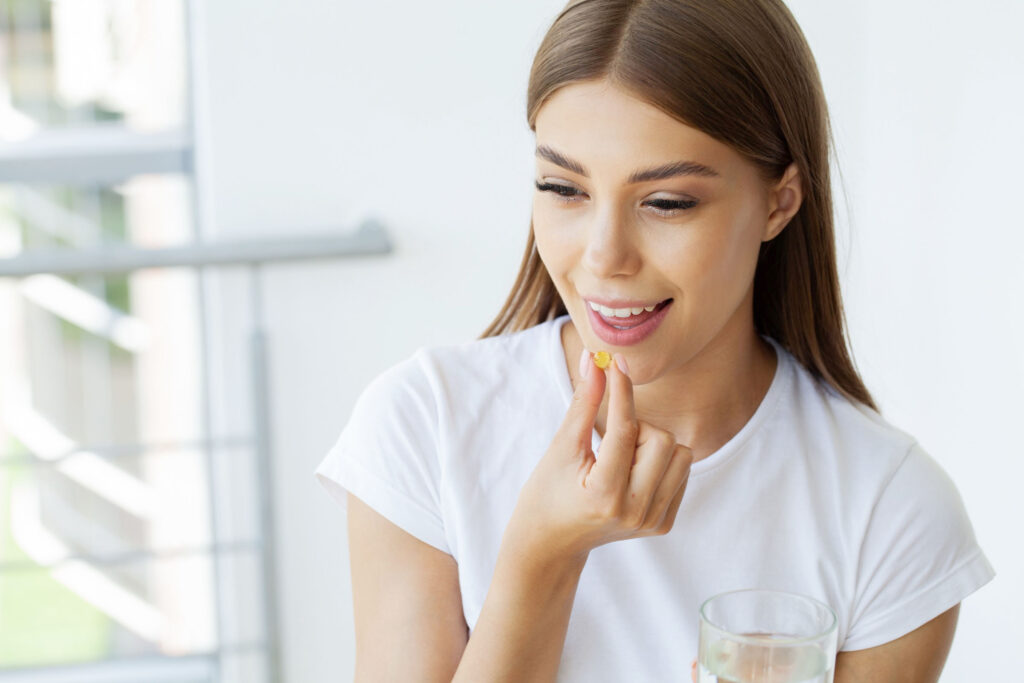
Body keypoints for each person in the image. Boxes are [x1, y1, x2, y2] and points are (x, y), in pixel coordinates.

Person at [314, 0, 995, 680]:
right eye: (563, 188)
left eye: (666, 202)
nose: (606, 256)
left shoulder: (891, 510)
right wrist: (541, 553)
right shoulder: (423, 426)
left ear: (779, 202)